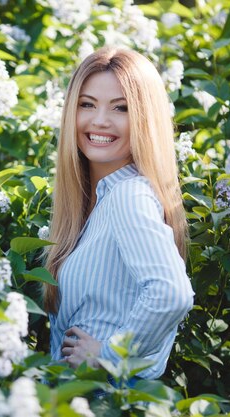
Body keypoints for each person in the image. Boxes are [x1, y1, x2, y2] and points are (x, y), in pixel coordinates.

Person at [44, 46, 194, 380]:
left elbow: (171, 293)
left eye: (121, 108)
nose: (99, 120)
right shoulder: (95, 202)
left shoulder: (130, 195)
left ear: (144, 118)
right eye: (87, 104)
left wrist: (109, 356)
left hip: (104, 398)